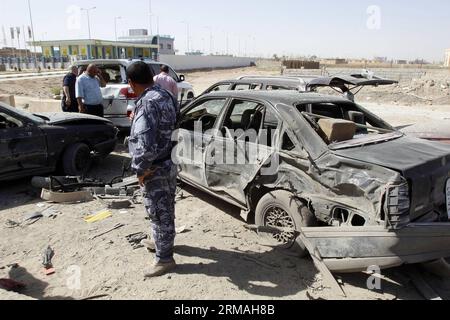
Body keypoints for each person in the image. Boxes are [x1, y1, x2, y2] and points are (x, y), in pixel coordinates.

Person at [127, 61, 179, 278]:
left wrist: (141, 169)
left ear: (131, 83)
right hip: (170, 162)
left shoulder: (147, 103)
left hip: (155, 167)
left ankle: (164, 259)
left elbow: (145, 145)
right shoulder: (166, 95)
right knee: (166, 207)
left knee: (158, 212)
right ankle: (161, 242)